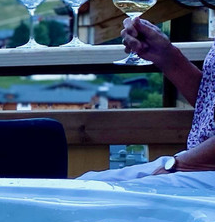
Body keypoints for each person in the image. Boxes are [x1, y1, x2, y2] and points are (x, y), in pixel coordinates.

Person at [79, 16, 215, 180]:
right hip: (196, 161)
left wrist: (181, 165)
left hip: (202, 169)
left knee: (85, 191)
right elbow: (209, 103)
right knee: (85, 183)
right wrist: (166, 55)